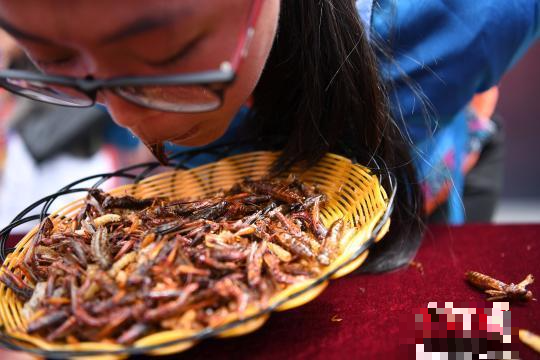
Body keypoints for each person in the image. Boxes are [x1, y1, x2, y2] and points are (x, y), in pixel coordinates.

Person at [0, 0, 537, 272]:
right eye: (55, 60)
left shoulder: (462, 16)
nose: (119, 116)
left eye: (161, 63)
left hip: (430, 193)